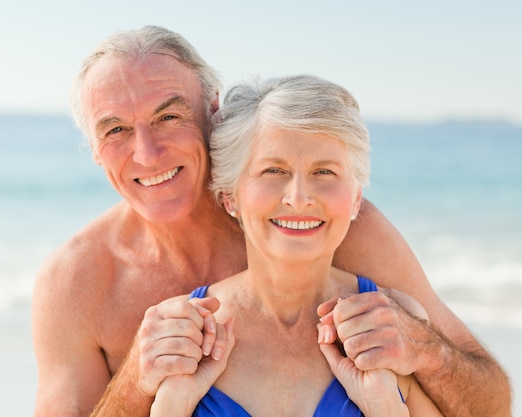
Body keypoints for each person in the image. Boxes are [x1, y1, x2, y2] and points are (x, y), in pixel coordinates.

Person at [31, 25, 510, 417]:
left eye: (168, 116)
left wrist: (426, 350)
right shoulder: (78, 280)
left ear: (212, 111)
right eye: (115, 130)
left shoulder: (334, 228)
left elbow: (492, 406)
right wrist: (137, 379)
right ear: (94, 150)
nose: (147, 152)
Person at [149, 73, 444, 417]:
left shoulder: (395, 325)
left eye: (324, 172)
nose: (299, 198)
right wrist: (171, 406)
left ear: (355, 200)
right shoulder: (179, 334)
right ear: (230, 197)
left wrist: (384, 405)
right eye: (273, 170)